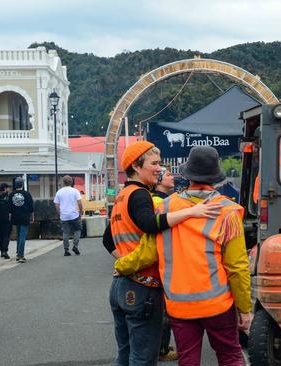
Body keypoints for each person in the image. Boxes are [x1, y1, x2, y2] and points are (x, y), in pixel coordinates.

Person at [115, 146, 253, 366]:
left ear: (187, 175)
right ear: (216, 179)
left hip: (179, 304)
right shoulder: (228, 212)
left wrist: (122, 266)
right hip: (217, 303)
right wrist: (245, 308)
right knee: (229, 355)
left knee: (188, 360)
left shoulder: (166, 208)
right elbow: (237, 267)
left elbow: (147, 253)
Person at [102, 141, 220, 366]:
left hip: (121, 287)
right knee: (143, 358)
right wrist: (191, 211)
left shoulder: (122, 196)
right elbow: (150, 224)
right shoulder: (140, 195)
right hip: (142, 288)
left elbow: (108, 239)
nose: (159, 168)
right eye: (154, 163)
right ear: (137, 167)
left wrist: (124, 263)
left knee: (125, 355)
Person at [150, 167, 179, 362]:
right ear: (159, 180)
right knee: (164, 309)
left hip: (158, 261)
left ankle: (161, 346)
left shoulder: (152, 198)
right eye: (168, 175)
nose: (172, 177)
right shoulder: (160, 202)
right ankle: (161, 350)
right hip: (162, 261)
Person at [54, 175, 83, 256]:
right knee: (78, 229)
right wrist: (80, 212)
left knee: (66, 233)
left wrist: (59, 213)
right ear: (71, 182)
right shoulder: (75, 191)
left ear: (63, 182)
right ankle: (75, 245)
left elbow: (56, 204)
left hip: (64, 216)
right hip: (74, 215)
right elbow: (80, 203)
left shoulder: (59, 192)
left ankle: (66, 250)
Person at [9, 178, 33, 263]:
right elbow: (31, 207)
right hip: (25, 217)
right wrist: (32, 217)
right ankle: (20, 255)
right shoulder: (27, 194)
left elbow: (9, 208)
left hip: (15, 217)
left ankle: (18, 253)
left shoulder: (11, 195)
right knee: (22, 236)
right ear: (22, 184)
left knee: (18, 235)